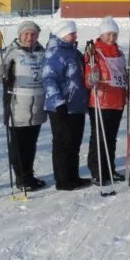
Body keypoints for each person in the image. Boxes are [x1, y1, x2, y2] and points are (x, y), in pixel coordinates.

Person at [0, 20, 47, 191]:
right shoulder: (11, 52)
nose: (30, 37)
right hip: (17, 107)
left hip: (37, 107)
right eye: (26, 34)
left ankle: (28, 175)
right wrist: (0, 71)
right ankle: (21, 177)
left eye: (33, 34)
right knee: (18, 145)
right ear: (20, 35)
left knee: (31, 144)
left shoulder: (42, 52)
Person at [43, 20, 91, 191]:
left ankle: (73, 175)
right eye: (73, 33)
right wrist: (58, 102)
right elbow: (49, 79)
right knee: (63, 143)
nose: (76, 36)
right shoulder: (54, 54)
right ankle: (63, 180)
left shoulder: (74, 52)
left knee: (74, 143)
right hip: (61, 107)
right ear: (63, 34)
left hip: (77, 105)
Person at [84, 16, 127, 185]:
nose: (111, 38)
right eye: (108, 34)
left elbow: (123, 73)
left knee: (111, 137)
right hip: (101, 100)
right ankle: (96, 171)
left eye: (114, 35)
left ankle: (109, 168)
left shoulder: (120, 52)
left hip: (117, 99)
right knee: (99, 137)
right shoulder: (95, 52)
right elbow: (88, 79)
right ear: (101, 35)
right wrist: (91, 77)